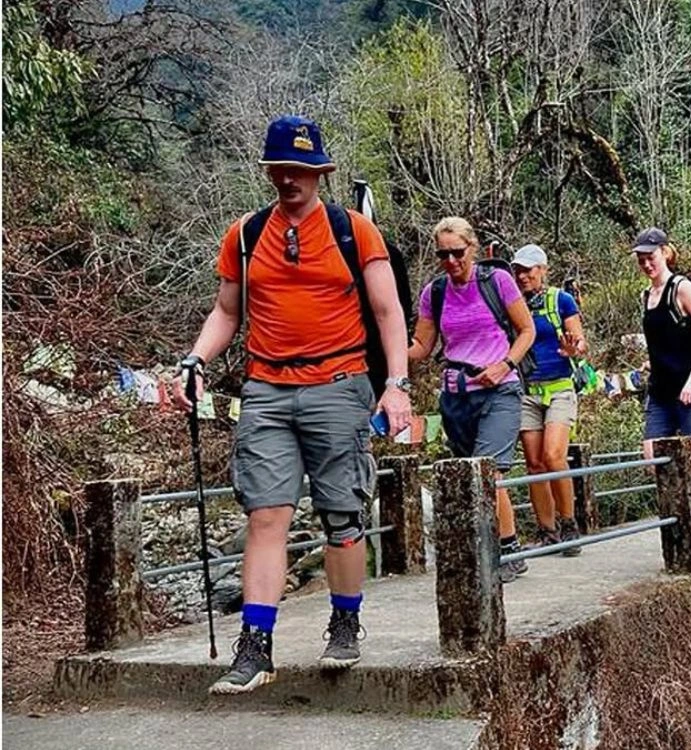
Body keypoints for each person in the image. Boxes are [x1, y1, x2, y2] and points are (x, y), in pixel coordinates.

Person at [171, 115, 413, 694]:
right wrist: (195, 360)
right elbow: (227, 312)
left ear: (320, 173)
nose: (289, 179)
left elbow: (387, 313)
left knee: (341, 517)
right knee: (265, 514)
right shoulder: (246, 236)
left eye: (300, 170)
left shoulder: (355, 231)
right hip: (266, 389)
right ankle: (256, 647)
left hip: (338, 383)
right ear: (269, 172)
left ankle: (345, 621)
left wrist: (397, 385)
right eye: (279, 169)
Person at [408, 217, 535, 583]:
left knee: (486, 472)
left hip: (500, 389)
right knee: (470, 475)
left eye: (457, 253)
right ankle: (498, 548)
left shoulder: (497, 281)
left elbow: (525, 330)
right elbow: (422, 347)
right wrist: (386, 345)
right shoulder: (435, 292)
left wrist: (504, 364)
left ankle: (501, 552)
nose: (450, 261)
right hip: (457, 395)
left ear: (472, 248)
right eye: (442, 254)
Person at [632, 228, 691, 555]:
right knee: (653, 456)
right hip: (661, 387)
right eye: (642, 259)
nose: (647, 263)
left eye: (652, 256)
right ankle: (682, 518)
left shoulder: (681, 287)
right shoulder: (646, 296)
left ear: (665, 253)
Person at [511, 243, 586, 553]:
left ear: (542, 270)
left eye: (528, 270)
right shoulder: (511, 303)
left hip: (559, 387)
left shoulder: (561, 300)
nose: (522, 276)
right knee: (534, 463)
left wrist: (573, 350)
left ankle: (569, 523)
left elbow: (580, 342)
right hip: (526, 388)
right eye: (518, 270)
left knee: (554, 455)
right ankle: (547, 530)